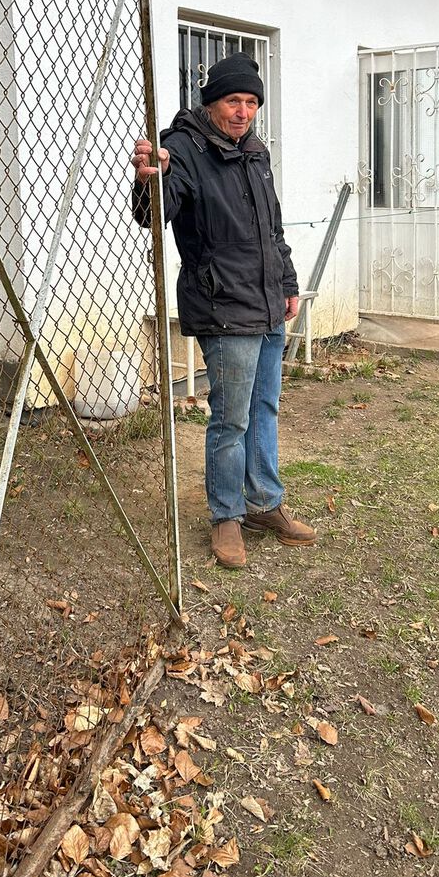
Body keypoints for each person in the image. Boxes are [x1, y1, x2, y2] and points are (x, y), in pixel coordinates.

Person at [132, 53, 315, 569]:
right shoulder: (183, 148)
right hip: (224, 305)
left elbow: (272, 228)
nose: (243, 112)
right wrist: (149, 179)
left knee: (264, 410)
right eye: (234, 100)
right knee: (231, 419)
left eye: (252, 102)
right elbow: (154, 214)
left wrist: (287, 283)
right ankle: (226, 515)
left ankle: (265, 503)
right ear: (211, 101)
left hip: (267, 302)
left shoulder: (254, 151)